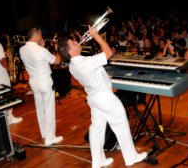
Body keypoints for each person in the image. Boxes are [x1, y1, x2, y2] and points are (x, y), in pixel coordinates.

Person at [58, 27, 147, 168]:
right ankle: (131, 158)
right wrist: (96, 36)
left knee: (96, 129)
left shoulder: (72, 66)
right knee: (121, 125)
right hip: (104, 97)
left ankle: (98, 161)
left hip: (94, 98)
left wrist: (100, 39)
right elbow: (108, 53)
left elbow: (97, 61)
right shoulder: (84, 62)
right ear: (71, 51)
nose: (77, 42)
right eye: (74, 43)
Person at [19, 28, 63, 146]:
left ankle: (44, 133)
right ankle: (50, 138)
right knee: (49, 109)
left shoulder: (22, 49)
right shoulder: (41, 50)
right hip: (44, 81)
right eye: (40, 34)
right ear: (37, 35)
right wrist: (57, 50)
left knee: (40, 108)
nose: (42, 36)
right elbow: (57, 62)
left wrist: (42, 47)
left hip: (33, 81)